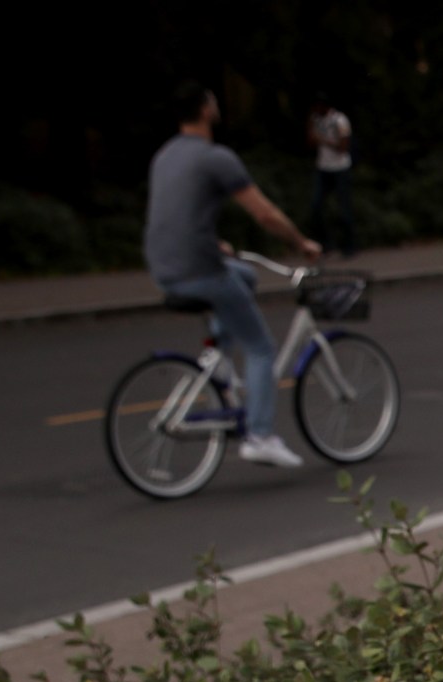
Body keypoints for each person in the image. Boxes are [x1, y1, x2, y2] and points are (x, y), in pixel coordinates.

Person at [144, 83, 321, 468]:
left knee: (244, 276)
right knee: (261, 348)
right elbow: (264, 214)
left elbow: (174, 214)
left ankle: (221, 357)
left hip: (164, 268)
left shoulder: (164, 156)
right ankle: (260, 436)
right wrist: (300, 242)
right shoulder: (216, 158)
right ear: (207, 110)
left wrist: (215, 241)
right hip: (199, 271)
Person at [306, 97, 356, 257]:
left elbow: (343, 147)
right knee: (316, 206)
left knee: (343, 208)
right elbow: (310, 141)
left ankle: (349, 246)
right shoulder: (316, 119)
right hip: (323, 168)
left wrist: (323, 140)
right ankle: (327, 243)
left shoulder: (339, 120)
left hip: (340, 168)